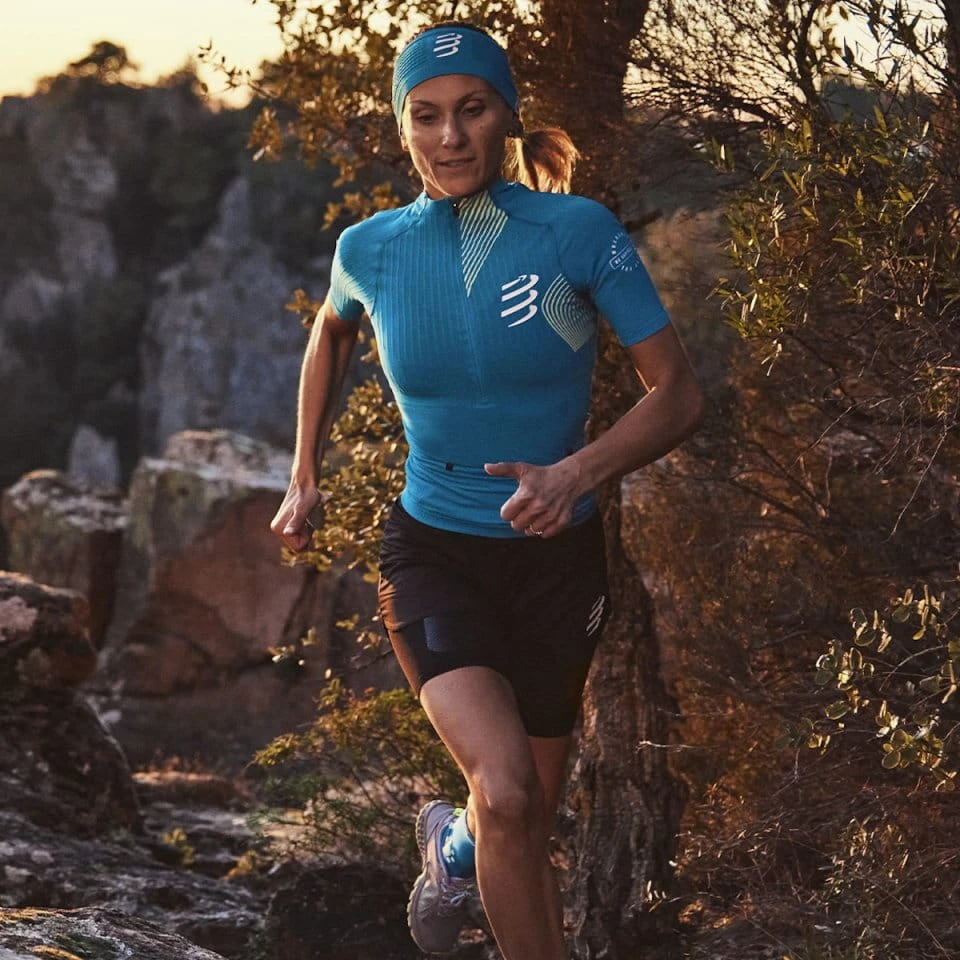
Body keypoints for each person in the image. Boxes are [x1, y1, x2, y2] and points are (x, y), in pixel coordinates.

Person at [271, 20, 704, 960]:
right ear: (402, 127)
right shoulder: (371, 249)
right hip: (435, 551)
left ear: (506, 115)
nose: (450, 136)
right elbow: (331, 331)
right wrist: (304, 474)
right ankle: (476, 842)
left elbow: (679, 393)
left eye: (471, 110)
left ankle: (454, 849)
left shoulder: (575, 232)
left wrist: (577, 472)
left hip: (557, 563)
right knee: (505, 790)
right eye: (425, 116)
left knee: (525, 814)